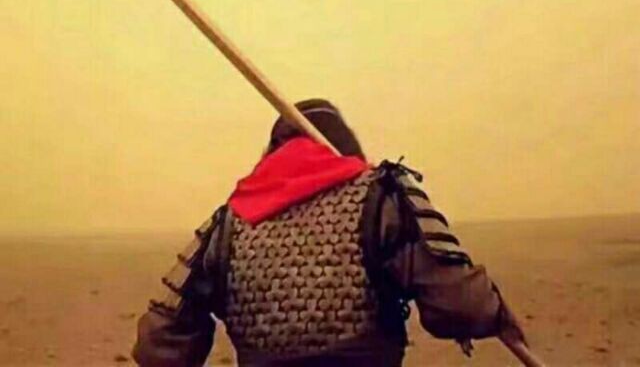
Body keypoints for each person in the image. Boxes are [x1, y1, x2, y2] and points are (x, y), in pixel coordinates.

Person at [133, 98, 526, 367]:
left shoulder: (229, 221)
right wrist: (494, 313)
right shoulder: (382, 196)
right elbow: (461, 306)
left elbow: (162, 343)